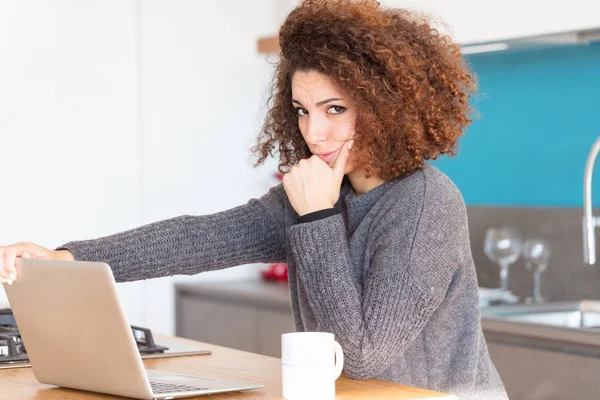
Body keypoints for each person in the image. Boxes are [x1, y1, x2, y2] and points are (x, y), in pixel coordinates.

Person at [0, 1, 508, 399]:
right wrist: (68, 257)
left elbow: (361, 353)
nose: (316, 132)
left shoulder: (424, 206)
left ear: (388, 108)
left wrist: (318, 217)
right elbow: (202, 238)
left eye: (335, 109)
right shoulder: (318, 191)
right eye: (303, 110)